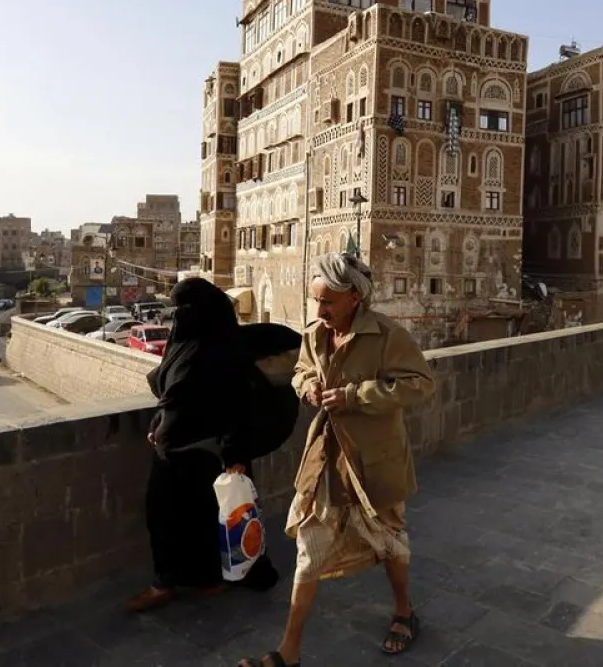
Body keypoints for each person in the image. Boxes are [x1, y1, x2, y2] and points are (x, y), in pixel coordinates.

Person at [236, 252, 435, 667]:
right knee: (309, 549)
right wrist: (307, 386)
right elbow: (300, 371)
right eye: (316, 302)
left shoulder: (387, 335)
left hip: (374, 463)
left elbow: (419, 385)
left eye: (328, 302)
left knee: (391, 541)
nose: (320, 310)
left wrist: (356, 396)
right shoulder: (314, 335)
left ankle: (404, 612)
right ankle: (289, 651)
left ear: (354, 299)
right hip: (326, 459)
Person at [128, 277, 259, 612]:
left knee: (198, 519)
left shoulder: (224, 350)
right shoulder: (183, 340)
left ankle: (184, 581)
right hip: (172, 451)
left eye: (188, 307)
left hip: (206, 453)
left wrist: (236, 453)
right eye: (178, 307)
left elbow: (239, 403)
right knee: (166, 517)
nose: (181, 315)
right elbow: (170, 391)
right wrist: (158, 424)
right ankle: (170, 580)